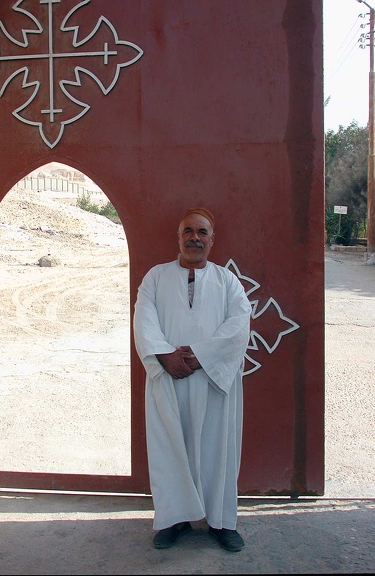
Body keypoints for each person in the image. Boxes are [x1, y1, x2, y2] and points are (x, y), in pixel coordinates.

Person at [133, 207, 252, 552]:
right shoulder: (155, 278)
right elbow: (144, 319)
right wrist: (165, 356)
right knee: (171, 449)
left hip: (213, 383)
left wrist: (201, 356)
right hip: (169, 381)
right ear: (179, 237)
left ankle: (221, 521)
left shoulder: (227, 281)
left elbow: (239, 324)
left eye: (202, 232)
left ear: (212, 239)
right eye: (188, 231)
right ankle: (174, 519)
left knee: (218, 449)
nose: (194, 238)